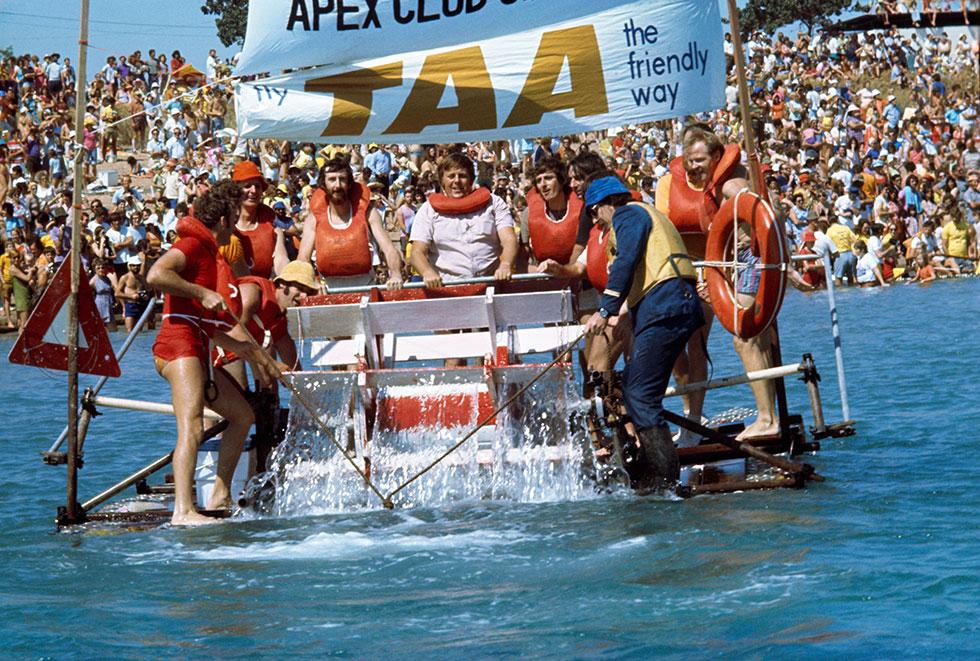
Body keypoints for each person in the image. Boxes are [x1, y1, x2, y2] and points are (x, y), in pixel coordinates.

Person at [147, 180, 279, 526]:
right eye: (234, 218)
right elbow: (156, 274)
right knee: (190, 425)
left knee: (242, 416)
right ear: (221, 219)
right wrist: (200, 293)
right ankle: (183, 511)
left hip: (197, 345)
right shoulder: (191, 244)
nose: (235, 227)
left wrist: (251, 352)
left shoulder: (209, 253)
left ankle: (220, 496)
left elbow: (212, 331)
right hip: (177, 345)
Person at [582, 175, 703, 491]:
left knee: (639, 394)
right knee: (635, 387)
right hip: (668, 305)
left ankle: (662, 482)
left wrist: (606, 308)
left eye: (593, 214)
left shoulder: (628, 214)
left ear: (605, 205)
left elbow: (627, 259)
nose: (595, 222)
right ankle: (654, 470)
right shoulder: (645, 212)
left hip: (666, 306)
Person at [409, 151, 517, 287]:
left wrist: (505, 264)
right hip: (449, 287)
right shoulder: (427, 209)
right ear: (442, 181)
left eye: (462, 176)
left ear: (471, 179)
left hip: (491, 284)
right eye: (451, 176)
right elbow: (417, 252)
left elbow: (509, 239)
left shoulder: (494, 202)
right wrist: (427, 272)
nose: (456, 181)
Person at [298, 157, 403, 291]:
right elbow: (302, 258)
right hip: (328, 289)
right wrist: (312, 281)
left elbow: (389, 249)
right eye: (332, 179)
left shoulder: (368, 213)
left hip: (365, 286)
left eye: (342, 179)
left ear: (349, 184)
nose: (337, 185)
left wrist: (395, 274)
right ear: (323, 185)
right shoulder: (313, 219)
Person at [231, 160, 288, 279]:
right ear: (236, 190)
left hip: (263, 289)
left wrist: (286, 279)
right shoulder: (224, 223)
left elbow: (281, 259)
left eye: (257, 186)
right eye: (247, 186)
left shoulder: (270, 220)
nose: (254, 191)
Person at [115, 255, 149, 332]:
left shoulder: (142, 278)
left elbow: (148, 290)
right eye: (133, 266)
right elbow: (117, 293)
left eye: (137, 266)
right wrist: (131, 296)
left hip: (141, 305)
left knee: (140, 331)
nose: (136, 267)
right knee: (130, 331)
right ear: (129, 266)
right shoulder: (125, 277)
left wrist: (146, 296)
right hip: (130, 305)